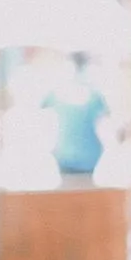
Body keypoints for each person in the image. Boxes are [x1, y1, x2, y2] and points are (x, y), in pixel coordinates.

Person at [48, 54, 110, 182]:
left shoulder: (57, 92)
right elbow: (106, 119)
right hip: (88, 156)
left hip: (66, 155)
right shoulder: (93, 94)